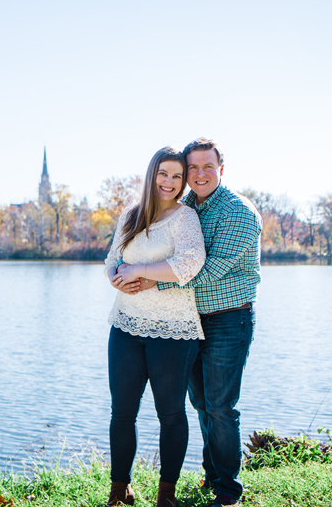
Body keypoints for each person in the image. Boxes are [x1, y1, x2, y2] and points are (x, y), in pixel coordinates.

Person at [123, 138, 261, 507]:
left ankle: (229, 492)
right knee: (200, 402)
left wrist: (155, 279)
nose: (200, 174)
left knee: (220, 406)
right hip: (188, 319)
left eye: (207, 167)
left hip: (228, 319)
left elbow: (210, 270)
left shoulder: (238, 212)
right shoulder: (184, 208)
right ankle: (212, 474)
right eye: (193, 168)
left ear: (221, 169)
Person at [104, 146, 206, 507]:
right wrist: (117, 276)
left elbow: (190, 264)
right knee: (122, 413)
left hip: (173, 331)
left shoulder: (186, 218)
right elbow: (112, 259)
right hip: (126, 327)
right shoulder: (132, 215)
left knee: (172, 414)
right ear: (153, 175)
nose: (170, 182)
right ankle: (120, 490)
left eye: (177, 176)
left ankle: (167, 495)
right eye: (164, 173)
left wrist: (141, 272)